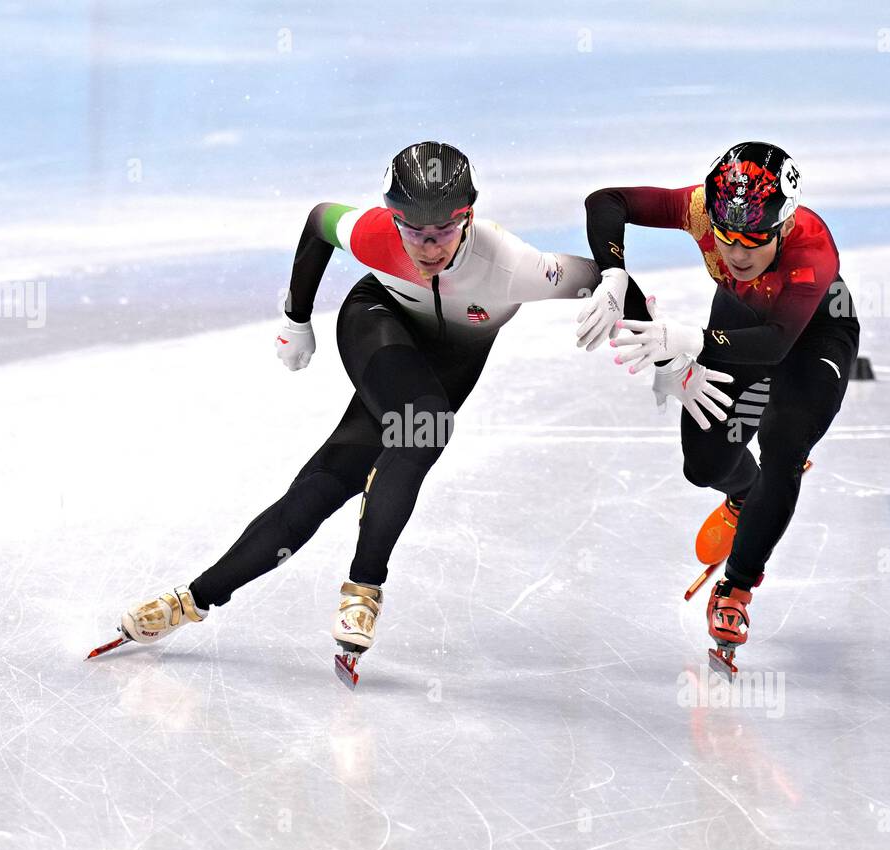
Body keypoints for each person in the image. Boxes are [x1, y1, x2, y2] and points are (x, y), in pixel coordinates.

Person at [95, 141, 616, 684]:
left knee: (327, 485)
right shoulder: (374, 235)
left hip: (447, 368)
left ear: (469, 216)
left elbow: (603, 277)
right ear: (393, 217)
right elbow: (321, 221)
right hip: (377, 326)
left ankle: (191, 599)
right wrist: (296, 318)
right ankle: (364, 588)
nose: (427, 245)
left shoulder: (514, 266)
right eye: (411, 229)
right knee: (425, 428)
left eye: (442, 230)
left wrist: (635, 310)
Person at [579, 142, 859, 674]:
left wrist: (688, 338)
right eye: (728, 238)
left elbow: (777, 344)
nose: (737, 253)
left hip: (813, 336)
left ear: (785, 223)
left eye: (755, 239)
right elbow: (606, 200)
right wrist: (613, 272)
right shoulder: (699, 210)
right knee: (702, 464)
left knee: (783, 443)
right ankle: (744, 496)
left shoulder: (813, 247)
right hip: (737, 322)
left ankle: (736, 587)